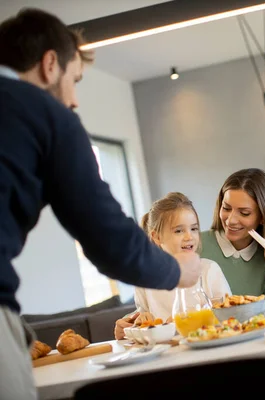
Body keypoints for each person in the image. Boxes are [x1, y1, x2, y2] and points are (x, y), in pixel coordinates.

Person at [0, 9, 202, 399]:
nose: (73, 100)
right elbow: (111, 243)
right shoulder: (48, 115)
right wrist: (178, 270)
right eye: (74, 81)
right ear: (49, 64)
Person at [114, 192, 231, 339]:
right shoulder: (145, 281)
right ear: (156, 237)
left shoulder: (209, 270)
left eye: (194, 229)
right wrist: (133, 326)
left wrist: (187, 323)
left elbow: (229, 316)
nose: (189, 237)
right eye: (179, 231)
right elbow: (142, 317)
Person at [200, 168, 265, 308]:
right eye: (226, 208)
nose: (231, 220)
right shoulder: (195, 246)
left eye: (244, 213)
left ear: (262, 217)